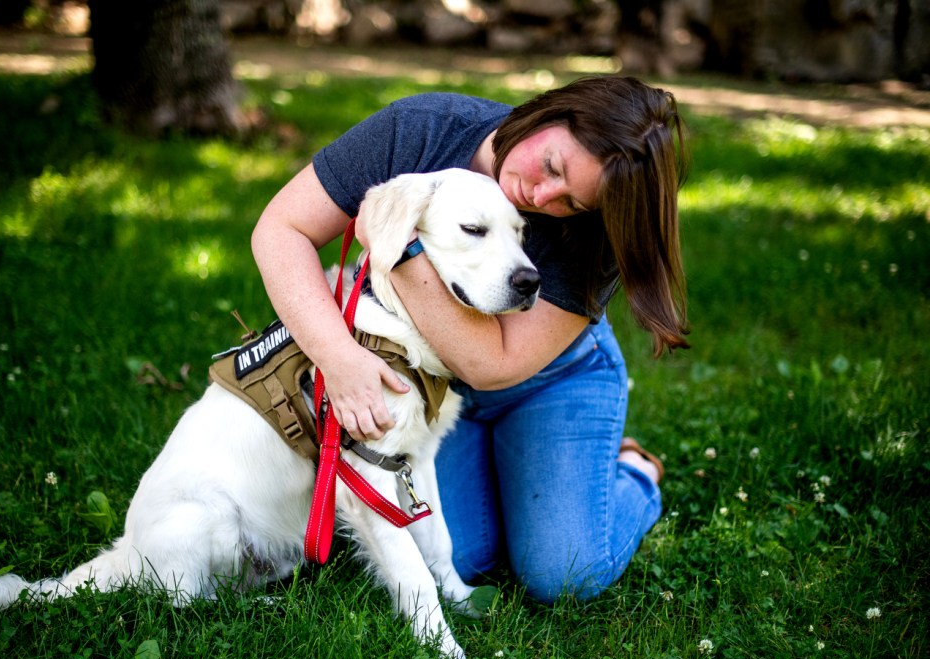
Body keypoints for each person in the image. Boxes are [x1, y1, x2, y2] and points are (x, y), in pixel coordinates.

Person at [251, 75, 689, 603]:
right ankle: (522, 480)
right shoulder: (422, 129)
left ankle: (634, 472)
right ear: (549, 112)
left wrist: (401, 247)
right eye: (551, 166)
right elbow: (281, 229)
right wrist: (338, 358)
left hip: (545, 381)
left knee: (562, 574)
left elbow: (493, 365)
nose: (540, 196)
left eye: (570, 202)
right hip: (427, 381)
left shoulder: (599, 229)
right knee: (464, 557)